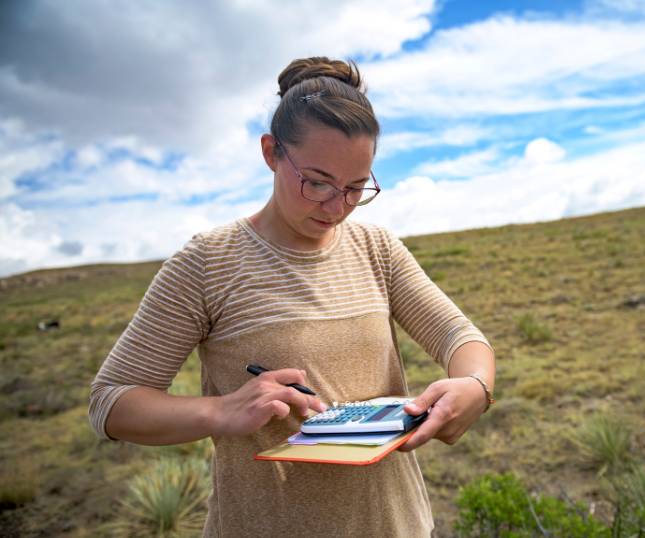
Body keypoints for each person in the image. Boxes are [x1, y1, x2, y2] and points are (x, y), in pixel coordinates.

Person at [88, 56, 495, 537]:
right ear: (271, 153)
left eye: (356, 187)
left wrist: (474, 386)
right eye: (317, 182)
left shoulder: (377, 248)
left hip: (397, 525)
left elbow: (458, 336)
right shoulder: (208, 263)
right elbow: (110, 404)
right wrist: (221, 411)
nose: (337, 206)